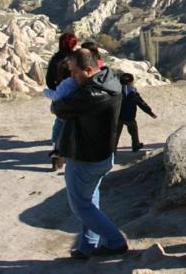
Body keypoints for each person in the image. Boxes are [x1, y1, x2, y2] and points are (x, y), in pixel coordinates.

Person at [51, 48, 127, 260]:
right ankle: (88, 244)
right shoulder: (109, 80)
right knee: (90, 201)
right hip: (102, 154)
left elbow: (57, 107)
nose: (72, 77)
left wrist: (68, 87)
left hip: (86, 157)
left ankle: (115, 241)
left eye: (75, 72)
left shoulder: (90, 95)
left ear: (88, 69)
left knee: (80, 206)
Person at [43, 59, 79, 171]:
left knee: (57, 137)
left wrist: (45, 92)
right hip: (74, 115)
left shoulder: (67, 83)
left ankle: (56, 158)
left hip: (63, 115)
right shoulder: (78, 81)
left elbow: (57, 96)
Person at [116, 72, 157, 152]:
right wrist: (150, 113)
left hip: (118, 117)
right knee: (134, 132)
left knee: (116, 135)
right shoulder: (133, 93)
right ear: (130, 82)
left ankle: (112, 150)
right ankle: (136, 145)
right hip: (130, 117)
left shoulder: (116, 91)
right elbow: (142, 104)